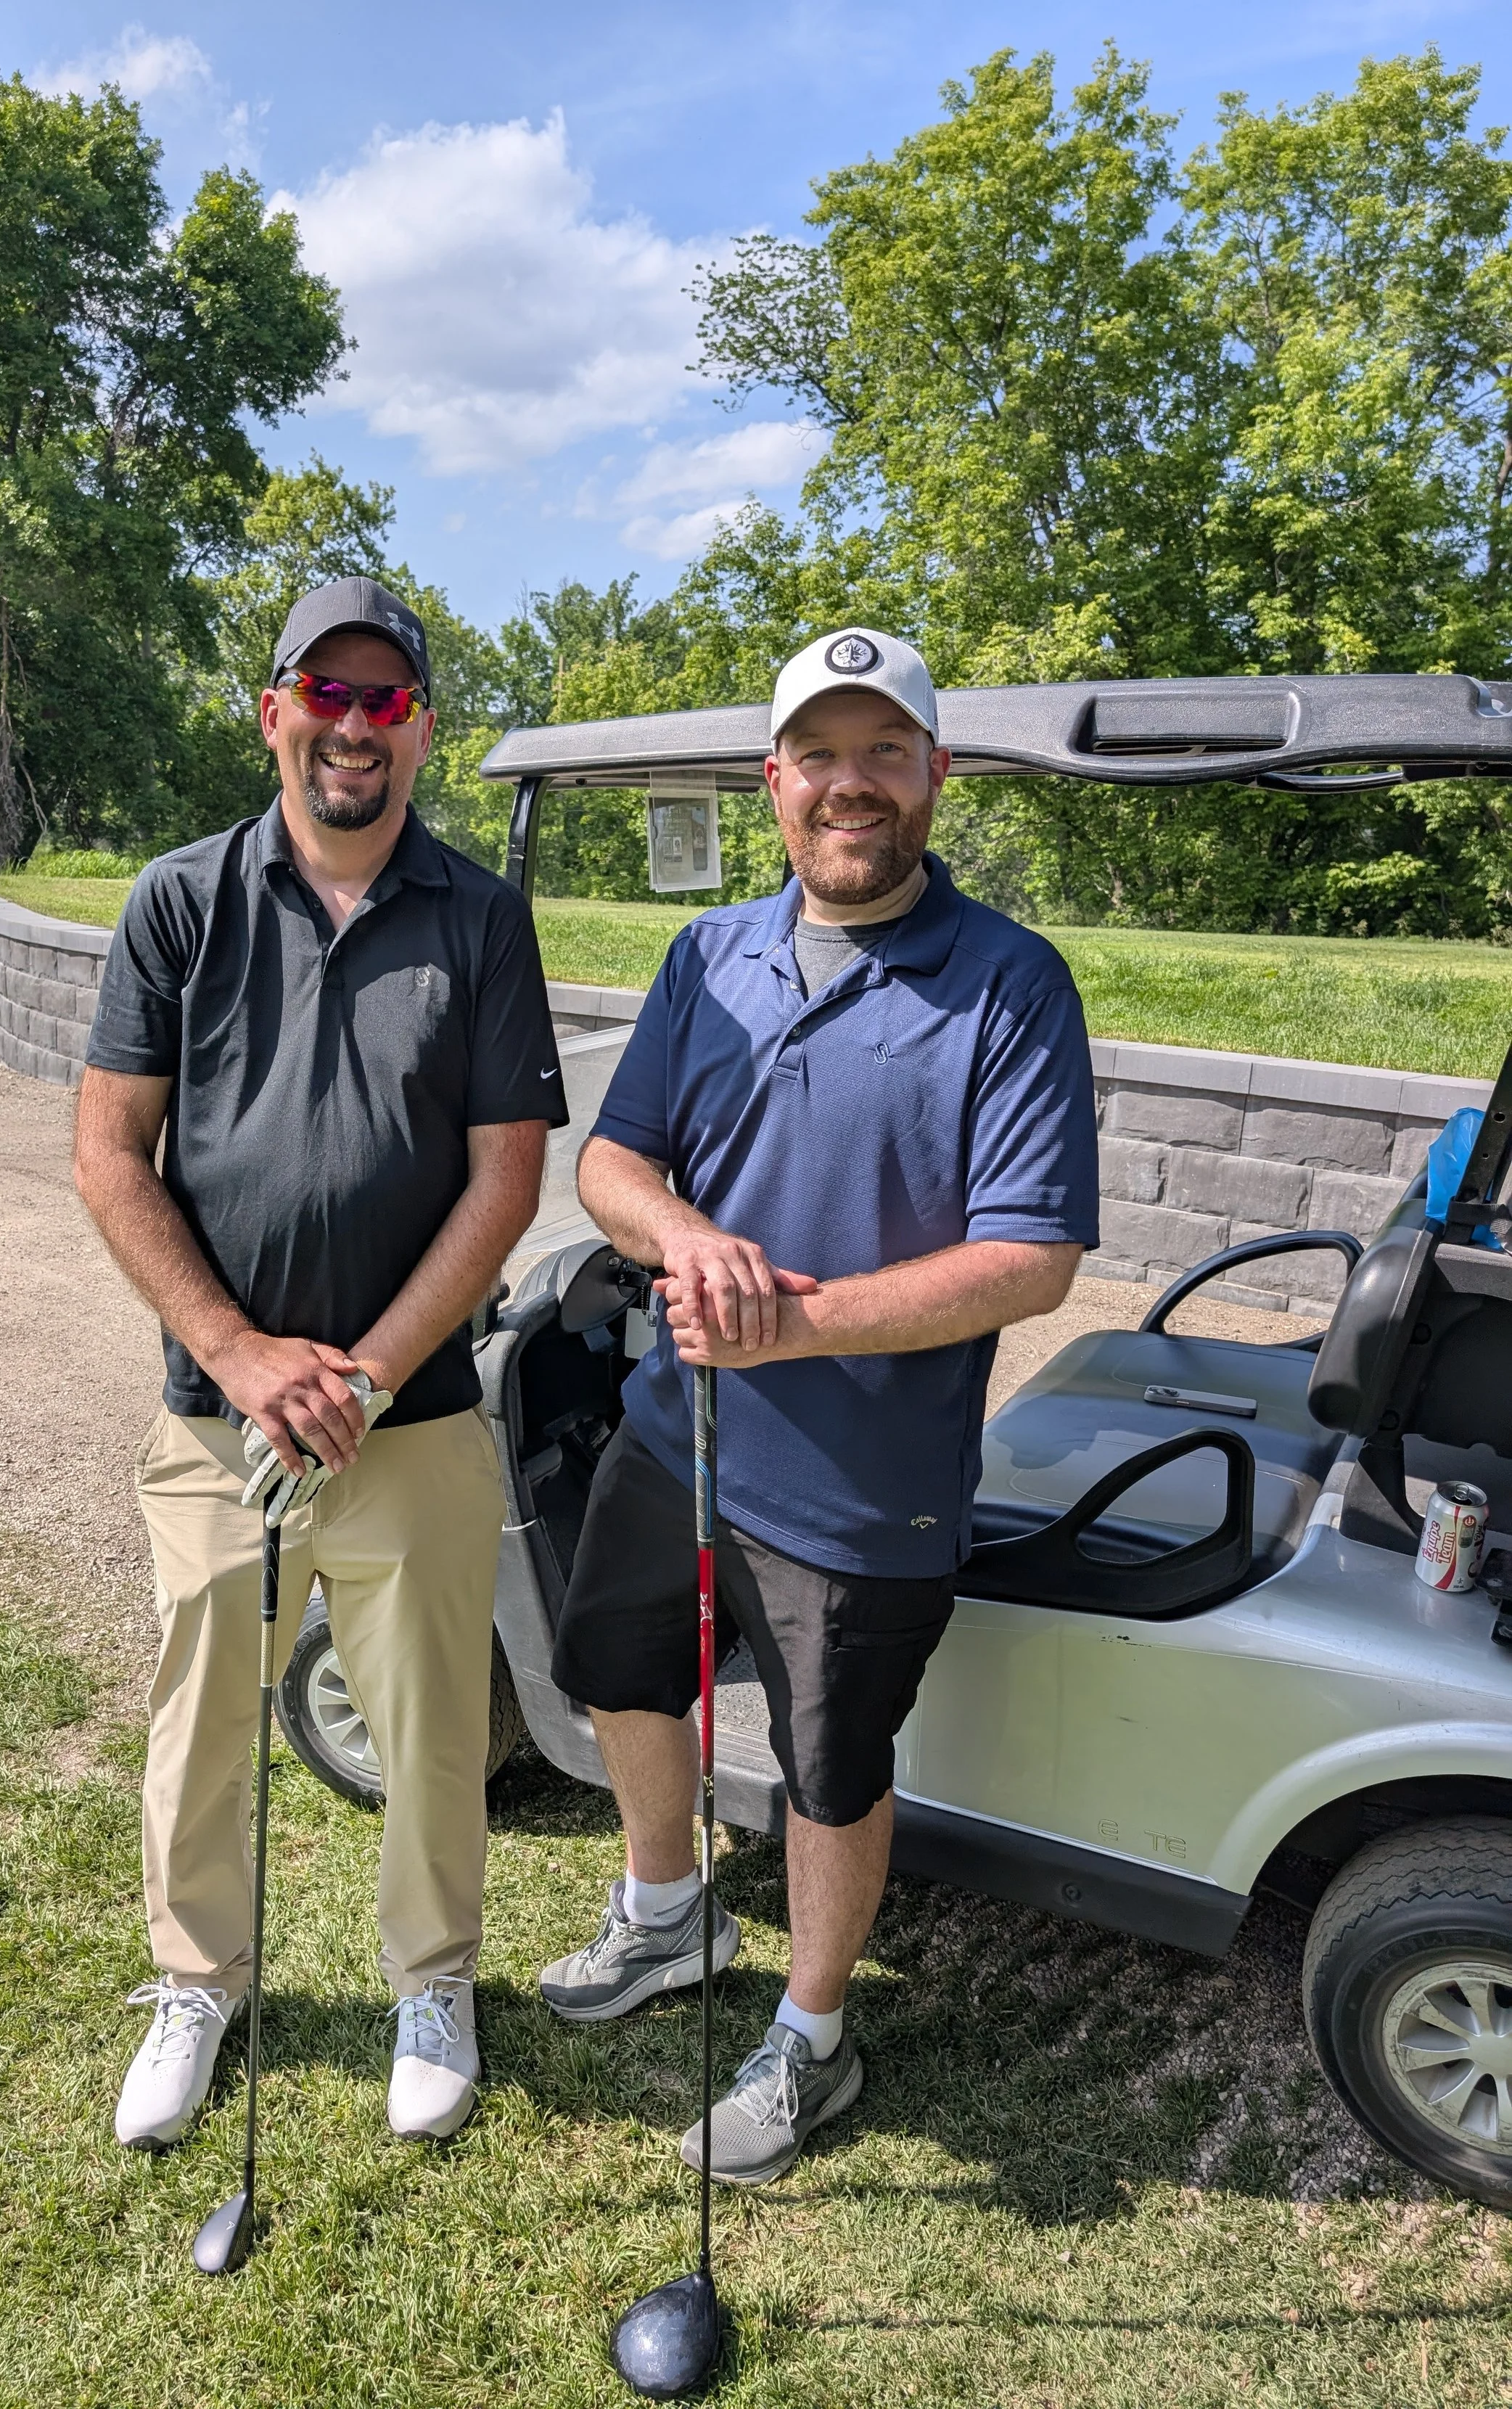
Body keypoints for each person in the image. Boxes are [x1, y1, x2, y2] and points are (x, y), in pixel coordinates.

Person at [539, 627, 1098, 2183]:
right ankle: (665, 1912)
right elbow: (609, 1162)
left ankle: (810, 2032)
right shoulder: (703, 955)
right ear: (772, 783)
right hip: (676, 1432)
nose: (847, 786)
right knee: (621, 1670)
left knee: (828, 1768)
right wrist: (684, 1238)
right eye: (818, 758)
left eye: (881, 754)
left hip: (866, 1484)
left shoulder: (1008, 985)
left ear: (932, 775)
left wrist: (787, 1325)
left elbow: (1031, 1259)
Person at [74, 575, 567, 2149]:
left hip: (409, 1416)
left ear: (419, 727)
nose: (355, 726)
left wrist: (358, 1371)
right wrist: (234, 1349)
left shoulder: (480, 915)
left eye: (387, 700)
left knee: (430, 1721)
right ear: (273, 708)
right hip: (215, 1422)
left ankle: (433, 1980)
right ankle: (195, 1983)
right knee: (201, 1710)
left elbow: (504, 1175)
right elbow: (108, 1150)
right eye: (326, 694)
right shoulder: (178, 900)